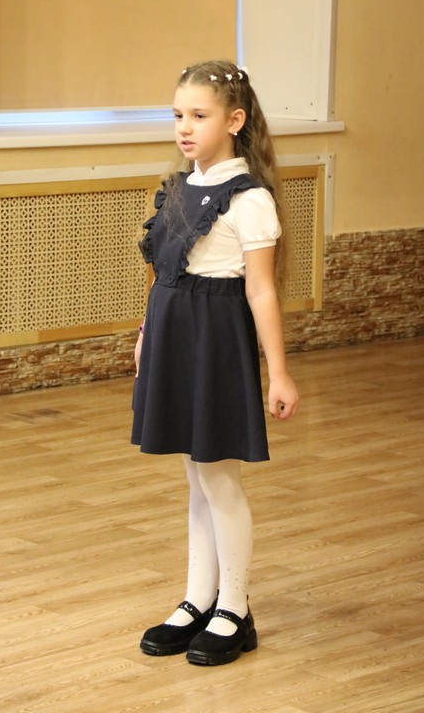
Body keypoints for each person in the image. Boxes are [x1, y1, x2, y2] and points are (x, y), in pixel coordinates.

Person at [131, 59, 299, 666]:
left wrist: (279, 372)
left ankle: (235, 607)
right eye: (178, 114)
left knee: (219, 479)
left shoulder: (248, 199)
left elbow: (261, 291)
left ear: (234, 120)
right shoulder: (177, 189)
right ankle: (198, 599)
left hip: (216, 345)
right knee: (196, 478)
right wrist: (147, 334)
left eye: (198, 116)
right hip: (174, 338)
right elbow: (164, 273)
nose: (184, 126)